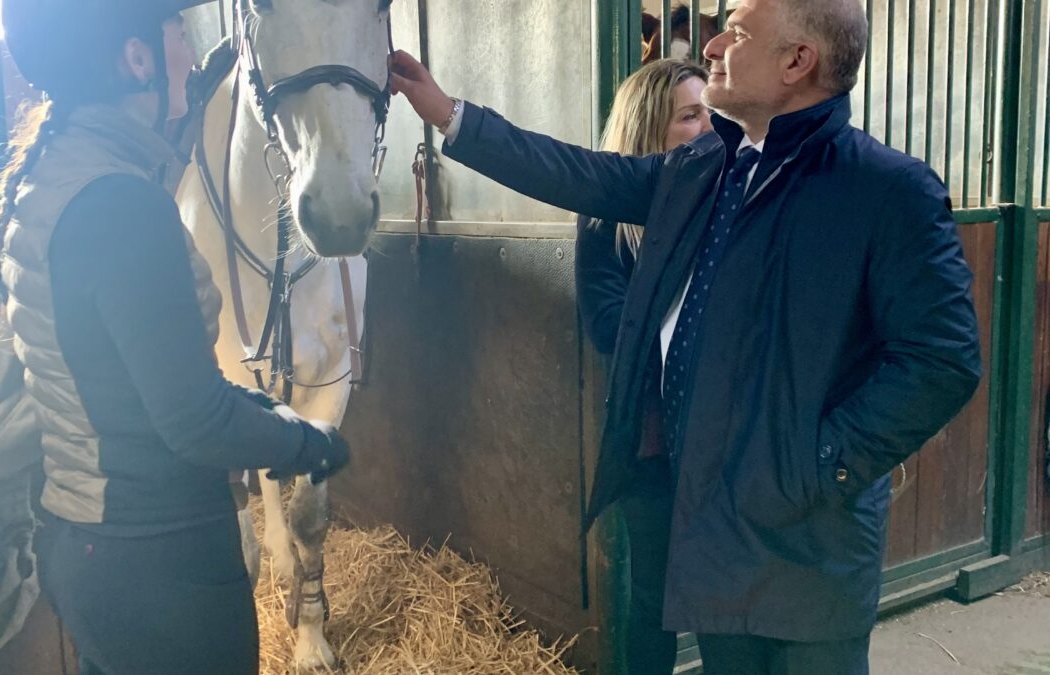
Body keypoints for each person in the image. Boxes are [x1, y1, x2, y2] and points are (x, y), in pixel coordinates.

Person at [389, 0, 982, 671]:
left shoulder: (888, 190)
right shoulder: (706, 167)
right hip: (715, 525)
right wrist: (451, 116)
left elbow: (943, 358)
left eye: (738, 30)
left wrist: (824, 464)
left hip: (809, 541)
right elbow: (582, 173)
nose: (715, 44)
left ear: (797, 62)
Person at [0, 2, 350, 673]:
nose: (190, 47)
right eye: (176, 31)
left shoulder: (56, 176)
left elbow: (135, 379)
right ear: (137, 58)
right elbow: (193, 419)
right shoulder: (123, 206)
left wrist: (263, 409)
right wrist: (307, 440)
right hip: (163, 562)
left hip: (91, 544)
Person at [575, 58, 712, 674]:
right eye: (691, 115)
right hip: (652, 443)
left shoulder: (727, 201)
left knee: (720, 599)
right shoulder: (605, 222)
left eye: (711, 112)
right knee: (652, 598)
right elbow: (608, 326)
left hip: (719, 441)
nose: (709, 127)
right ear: (649, 128)